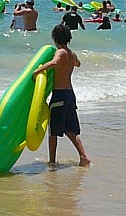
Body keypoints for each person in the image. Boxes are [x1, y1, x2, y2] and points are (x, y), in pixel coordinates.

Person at [32, 24, 89, 167]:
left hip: (59, 95)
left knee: (53, 130)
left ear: (55, 38)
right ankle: (83, 157)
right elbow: (78, 64)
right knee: (70, 128)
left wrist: (38, 70)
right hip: (70, 94)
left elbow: (55, 62)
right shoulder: (71, 54)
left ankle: (52, 161)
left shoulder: (61, 52)